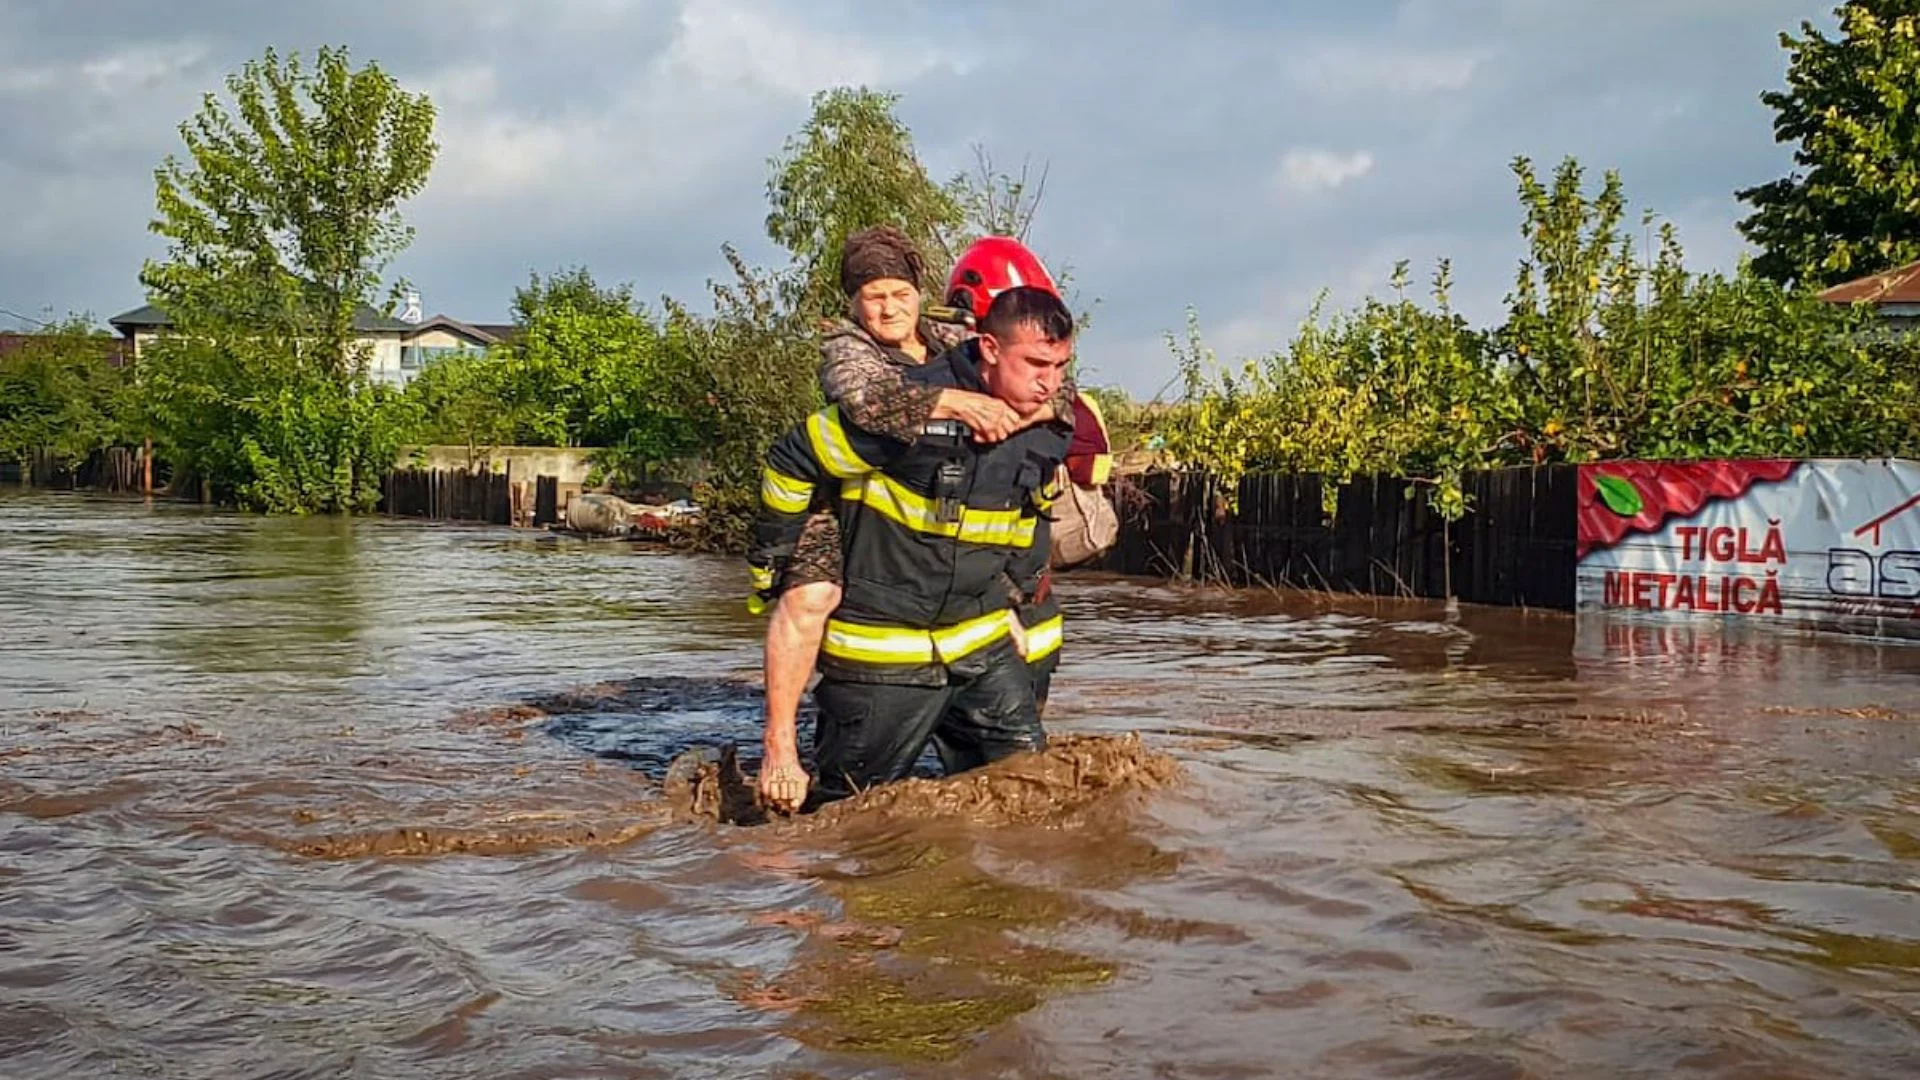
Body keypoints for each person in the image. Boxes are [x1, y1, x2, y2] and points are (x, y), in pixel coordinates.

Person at [755, 230, 1077, 808]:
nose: (888, 308)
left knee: (1033, 801)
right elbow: (831, 429)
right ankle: (779, 750)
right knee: (810, 599)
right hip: (845, 510)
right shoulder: (850, 351)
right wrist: (773, 559)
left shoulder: (958, 339)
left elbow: (1053, 390)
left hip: (970, 632)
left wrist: (1007, 596)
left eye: (899, 293)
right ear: (854, 302)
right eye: (873, 296)